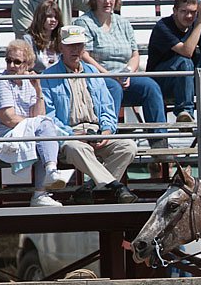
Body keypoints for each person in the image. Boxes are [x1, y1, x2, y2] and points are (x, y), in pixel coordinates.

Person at [41, 25, 139, 204]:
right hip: (69, 136)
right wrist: (74, 135)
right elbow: (48, 119)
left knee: (128, 146)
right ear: (61, 47)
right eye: (71, 45)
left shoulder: (93, 72)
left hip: (97, 132)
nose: (75, 50)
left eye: (79, 45)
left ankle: (89, 188)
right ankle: (116, 186)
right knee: (78, 148)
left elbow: (108, 107)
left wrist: (107, 132)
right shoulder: (47, 76)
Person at [0, 40, 70, 207]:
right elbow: (8, 118)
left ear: (28, 65)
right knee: (44, 128)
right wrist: (35, 125)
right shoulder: (2, 82)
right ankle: (45, 184)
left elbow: (38, 114)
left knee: (44, 131)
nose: (12, 65)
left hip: (18, 133)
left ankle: (42, 189)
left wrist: (37, 88)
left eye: (17, 62)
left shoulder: (28, 82)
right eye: (9, 60)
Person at [75, 0, 169, 149]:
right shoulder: (84, 22)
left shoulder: (123, 23)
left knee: (150, 87)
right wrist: (109, 75)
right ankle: (110, 139)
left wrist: (129, 72)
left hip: (124, 76)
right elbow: (84, 55)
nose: (107, 1)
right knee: (113, 87)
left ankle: (160, 142)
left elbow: (134, 54)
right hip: (98, 77)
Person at [12, 0, 90, 38]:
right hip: (35, 59)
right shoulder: (23, 1)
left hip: (65, 53)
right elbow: (28, 38)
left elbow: (97, 5)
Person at [23, 0, 62, 73]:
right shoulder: (28, 39)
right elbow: (26, 66)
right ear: (40, 17)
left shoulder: (61, 38)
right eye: (49, 16)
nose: (53, 20)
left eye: (56, 17)